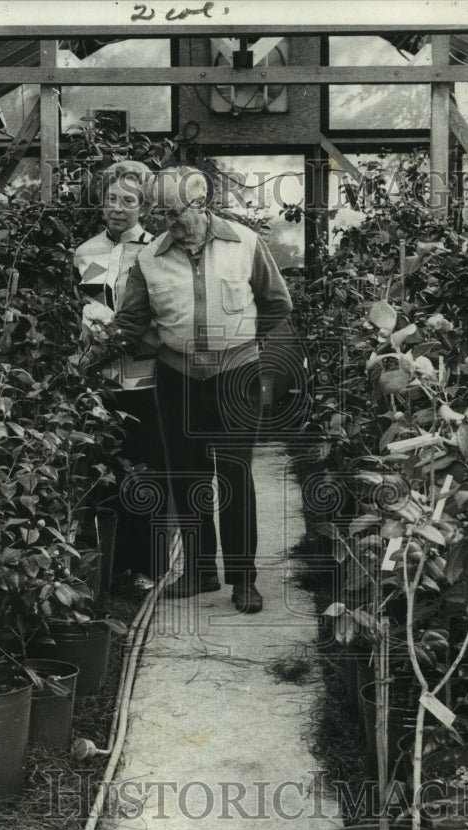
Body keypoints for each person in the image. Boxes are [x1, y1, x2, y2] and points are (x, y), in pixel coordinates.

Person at [112, 166, 293, 613]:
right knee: (188, 477)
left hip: (235, 377)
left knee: (234, 478)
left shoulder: (245, 244)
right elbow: (133, 321)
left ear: (201, 204)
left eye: (178, 212)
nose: (170, 221)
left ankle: (243, 579)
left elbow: (277, 304)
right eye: (164, 213)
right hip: (178, 379)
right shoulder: (149, 257)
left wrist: (241, 341)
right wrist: (100, 342)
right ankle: (199, 571)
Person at [72, 161, 168, 590]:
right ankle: (108, 565)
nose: (117, 208)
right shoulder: (86, 251)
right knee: (105, 470)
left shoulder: (158, 250)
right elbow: (84, 304)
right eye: (111, 199)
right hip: (101, 381)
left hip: (147, 378)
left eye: (128, 201)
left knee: (144, 471)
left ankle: (148, 566)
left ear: (144, 205)